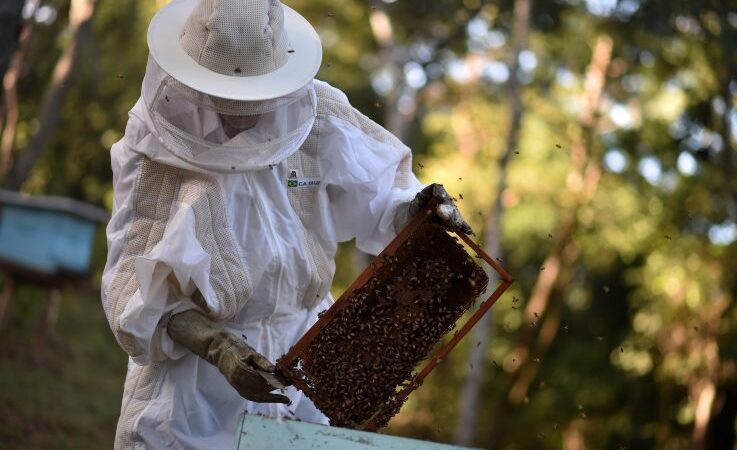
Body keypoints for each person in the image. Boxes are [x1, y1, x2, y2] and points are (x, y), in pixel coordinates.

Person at [101, 0, 471, 448]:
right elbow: (129, 284)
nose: (239, 110)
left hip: (309, 358)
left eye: (252, 93)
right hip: (195, 383)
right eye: (225, 92)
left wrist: (418, 210)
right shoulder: (151, 145)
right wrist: (218, 347)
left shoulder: (318, 116)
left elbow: (377, 201)